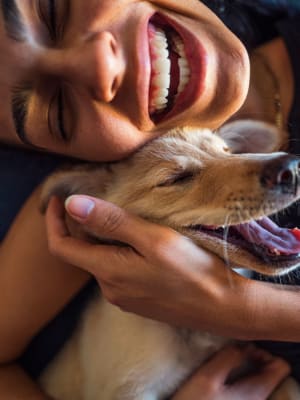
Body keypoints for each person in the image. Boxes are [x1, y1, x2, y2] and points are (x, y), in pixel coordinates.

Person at [0, 0, 299, 398]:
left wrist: (250, 309)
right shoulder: (105, 192)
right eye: (58, 113)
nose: (100, 67)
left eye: (53, 11)